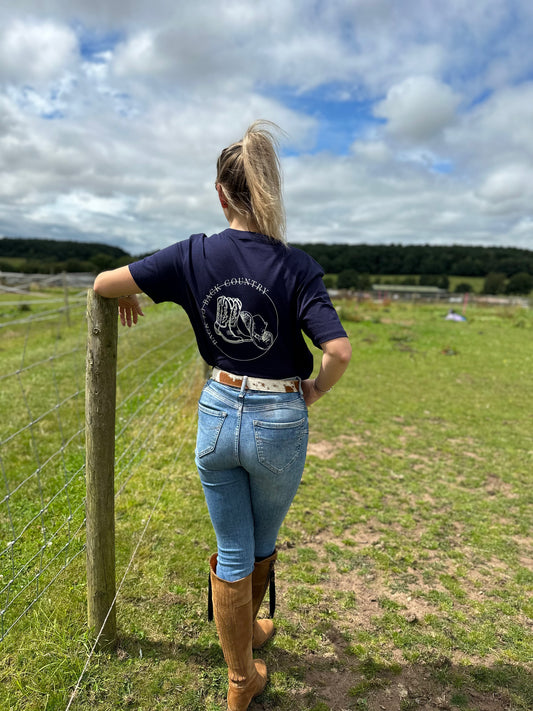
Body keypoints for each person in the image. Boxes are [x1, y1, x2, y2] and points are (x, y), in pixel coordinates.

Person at [93, 120, 351, 711]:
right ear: (269, 191)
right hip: (280, 417)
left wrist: (125, 294)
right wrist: (313, 389)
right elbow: (337, 350)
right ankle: (244, 666)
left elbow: (104, 284)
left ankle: (241, 667)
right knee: (260, 541)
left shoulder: (193, 254)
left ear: (220, 193)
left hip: (218, 409)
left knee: (234, 545)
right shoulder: (297, 265)